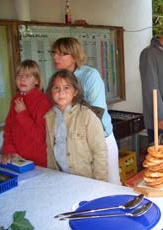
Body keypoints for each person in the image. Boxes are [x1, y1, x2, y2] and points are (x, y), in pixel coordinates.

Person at [51, 37, 121, 184]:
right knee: (82, 187)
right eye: (54, 53)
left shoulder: (90, 75)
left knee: (110, 185)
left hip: (99, 139)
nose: (56, 57)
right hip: (73, 143)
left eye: (63, 53)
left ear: (75, 56)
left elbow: (97, 112)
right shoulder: (56, 79)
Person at [45, 69, 108, 181]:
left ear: (75, 91)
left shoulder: (87, 116)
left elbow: (100, 151)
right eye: (56, 88)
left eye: (66, 87)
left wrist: (101, 183)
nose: (61, 92)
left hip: (85, 179)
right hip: (60, 177)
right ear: (51, 91)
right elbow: (50, 149)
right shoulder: (49, 117)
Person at [1, 60, 52, 167]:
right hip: (17, 159)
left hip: (38, 162)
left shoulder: (42, 101)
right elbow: (8, 129)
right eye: (19, 76)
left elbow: (40, 137)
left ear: (37, 80)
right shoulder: (16, 99)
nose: (22, 79)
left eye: (28, 76)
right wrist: (9, 150)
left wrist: (23, 113)